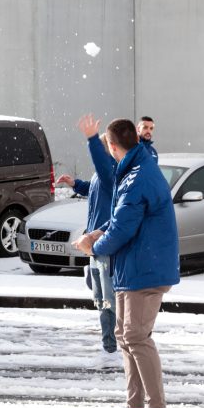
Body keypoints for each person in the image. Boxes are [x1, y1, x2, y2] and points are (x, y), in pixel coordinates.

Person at [73, 118, 179, 408]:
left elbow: (123, 229)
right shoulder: (132, 169)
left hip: (146, 268)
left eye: (107, 145)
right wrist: (96, 233)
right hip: (132, 267)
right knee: (124, 335)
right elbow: (119, 219)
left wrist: (93, 246)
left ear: (114, 146)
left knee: (136, 336)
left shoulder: (138, 177)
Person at [56, 114, 120, 369]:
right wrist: (76, 184)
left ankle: (111, 348)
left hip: (103, 242)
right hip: (93, 243)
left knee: (106, 299)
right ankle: (114, 341)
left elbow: (102, 168)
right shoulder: (100, 177)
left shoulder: (110, 172)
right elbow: (94, 189)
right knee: (97, 290)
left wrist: (92, 138)